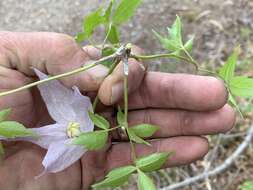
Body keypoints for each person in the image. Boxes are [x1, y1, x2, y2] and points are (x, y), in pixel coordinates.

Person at [0, 32, 235, 190]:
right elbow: (44, 134)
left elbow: (68, 97)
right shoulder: (77, 126)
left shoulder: (81, 106)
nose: (73, 131)